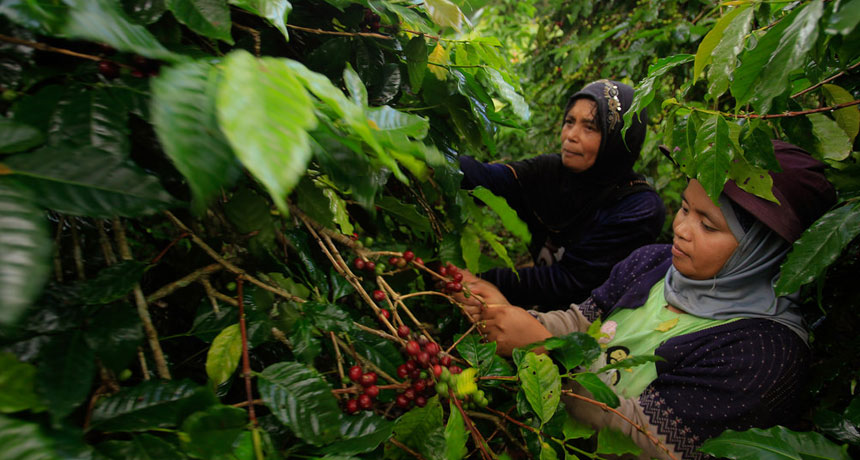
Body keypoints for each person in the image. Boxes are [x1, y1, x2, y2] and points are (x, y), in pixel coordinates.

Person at [459, 140, 837, 459]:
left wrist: (545, 356)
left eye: (708, 225)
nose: (681, 229)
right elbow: (582, 321)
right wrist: (511, 318)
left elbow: (648, 442)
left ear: (763, 250)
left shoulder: (764, 354)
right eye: (686, 208)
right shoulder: (653, 263)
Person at [459, 80, 665, 309]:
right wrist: (428, 156)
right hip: (546, 311)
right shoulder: (551, 172)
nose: (571, 136)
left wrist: (476, 279)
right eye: (569, 122)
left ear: (619, 138)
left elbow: (568, 283)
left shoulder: (638, 207)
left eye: (590, 127)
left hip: (597, 328)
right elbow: (485, 179)